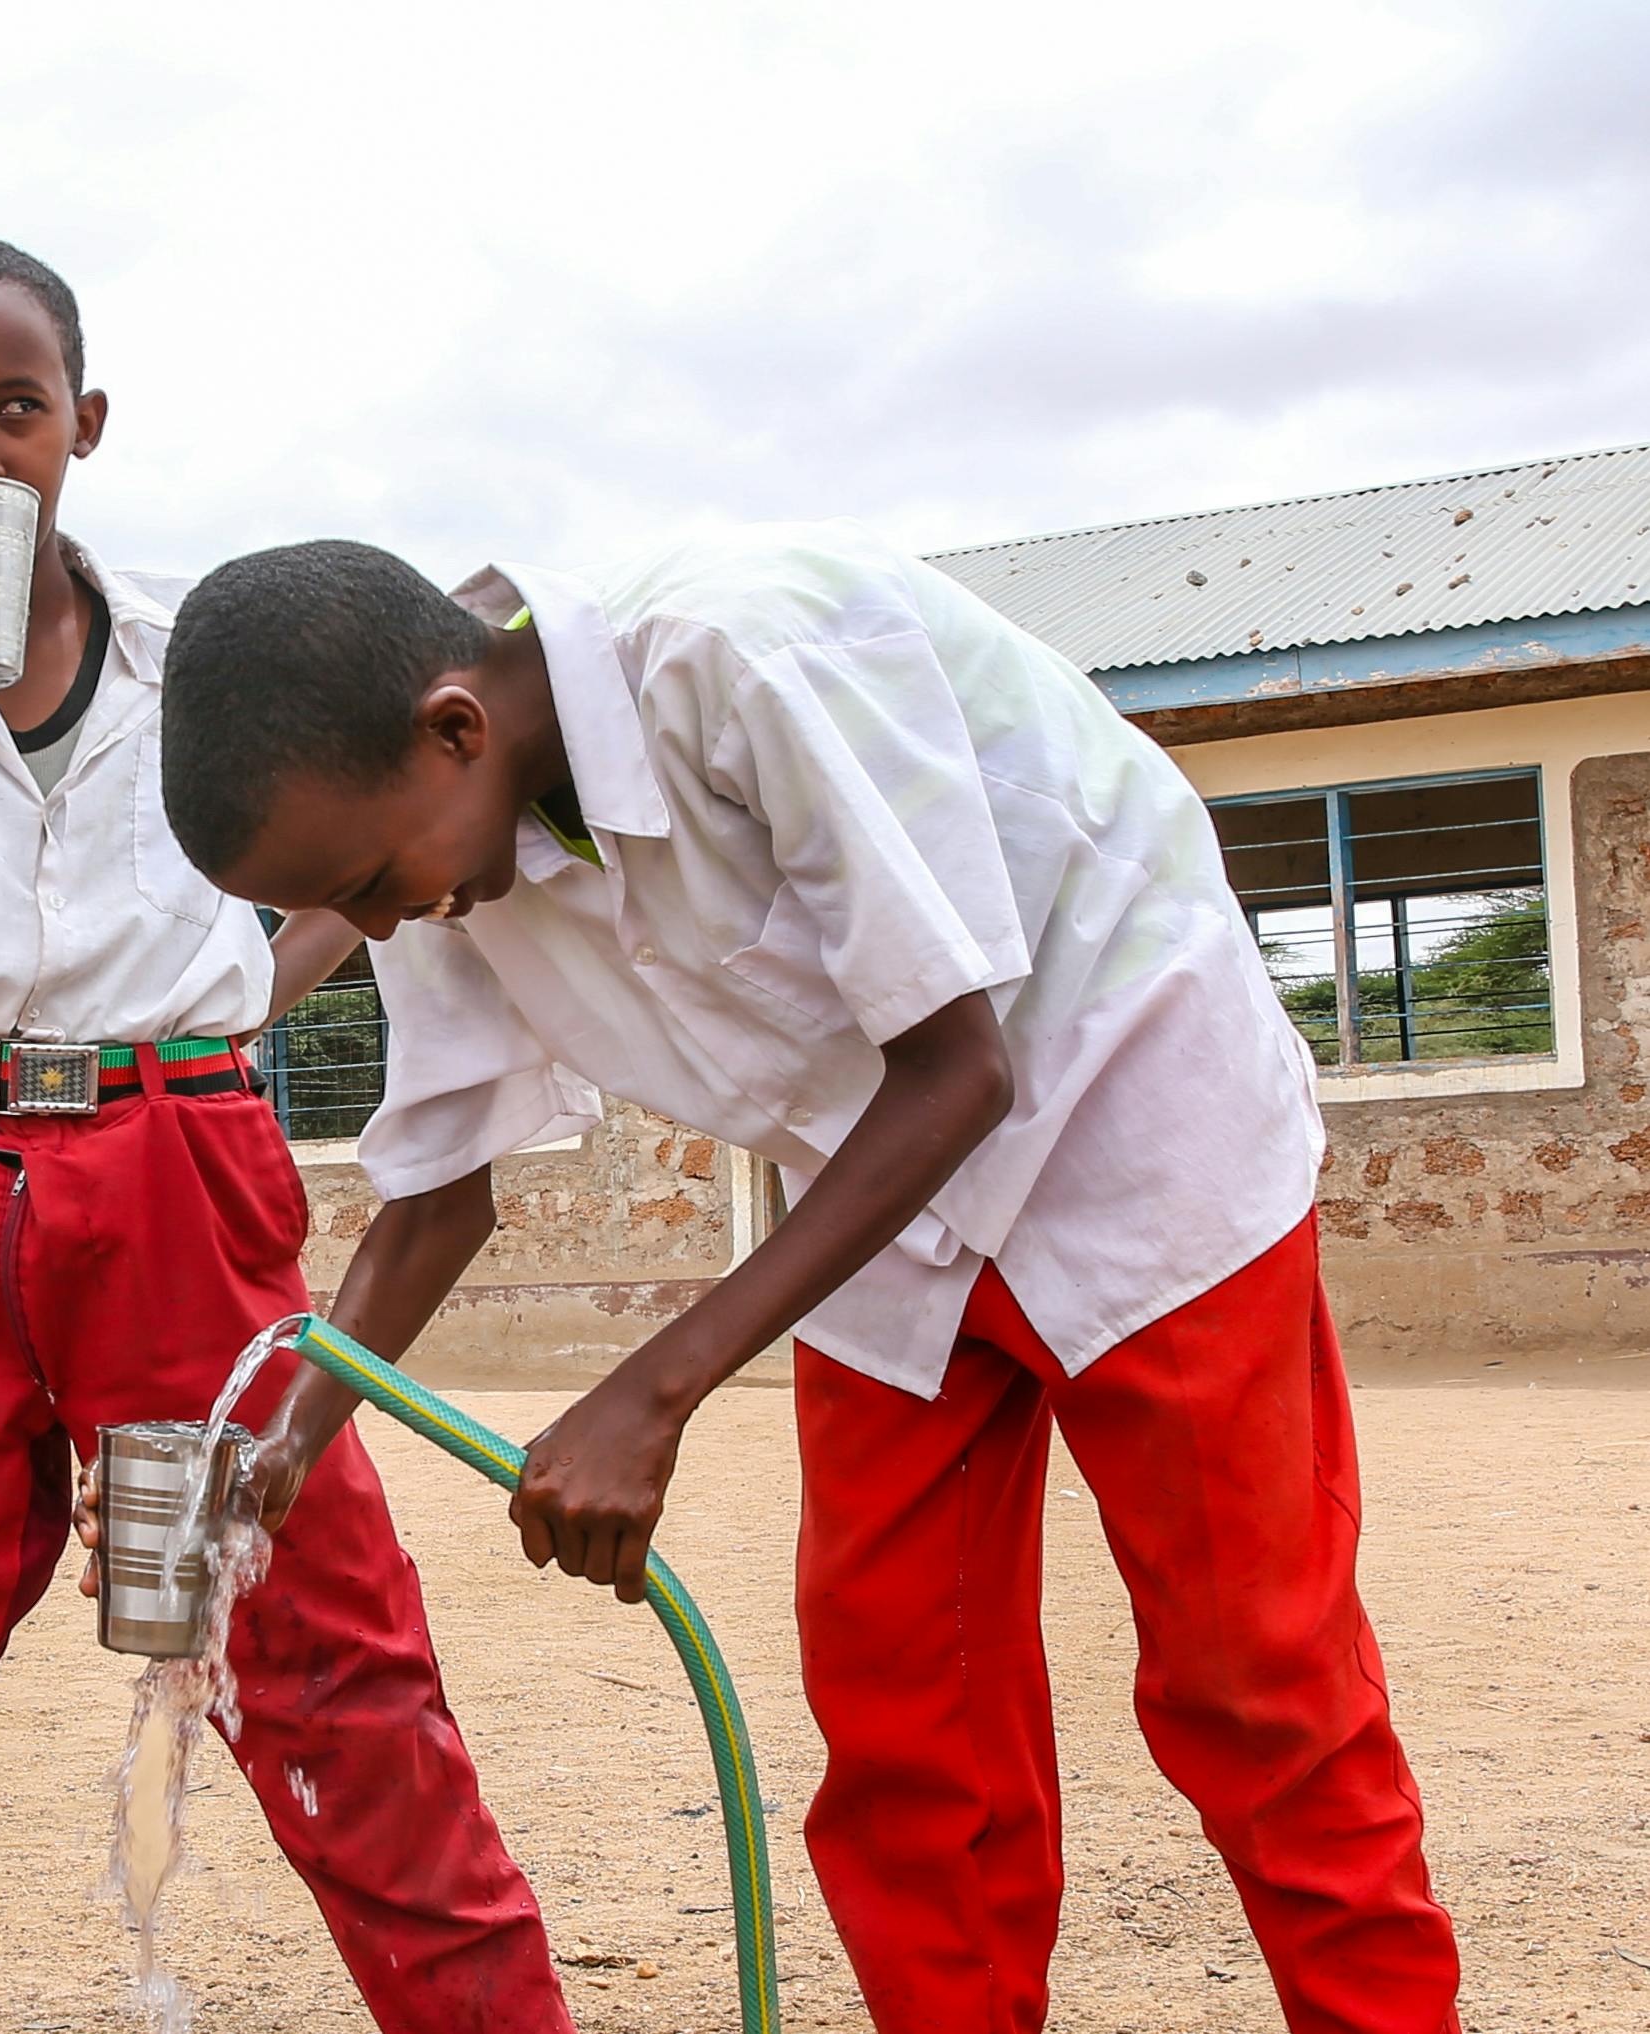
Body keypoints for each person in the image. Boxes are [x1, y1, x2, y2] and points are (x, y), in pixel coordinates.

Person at [153, 527, 1465, 2034]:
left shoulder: (744, 652)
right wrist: (279, 1452)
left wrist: (654, 1388)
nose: (382, 924)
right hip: (873, 1190)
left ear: (456, 724)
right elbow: (437, 1199)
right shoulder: (435, 839)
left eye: (373, 887)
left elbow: (964, 1066)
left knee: (1258, 1683)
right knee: (907, 1712)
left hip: (1128, 1109)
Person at [0, 235, 572, 2034]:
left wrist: (266, 979)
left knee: (322, 1641)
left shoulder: (207, 654)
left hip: (174, 1170)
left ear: (83, 422)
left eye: (15, 408)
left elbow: (419, 753)